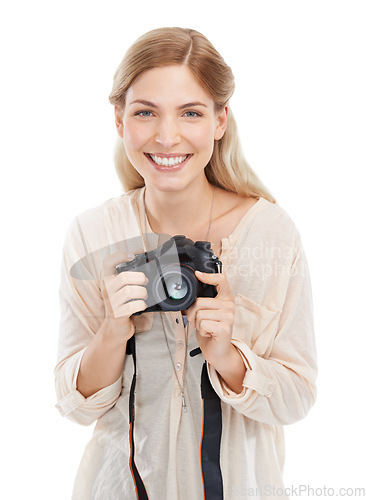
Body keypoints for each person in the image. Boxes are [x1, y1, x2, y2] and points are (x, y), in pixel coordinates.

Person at [55, 27, 317, 500]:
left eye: (191, 112)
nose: (167, 135)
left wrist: (227, 356)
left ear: (220, 121)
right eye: (145, 113)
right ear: (119, 120)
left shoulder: (271, 233)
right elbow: (73, 407)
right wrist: (113, 332)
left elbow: (297, 398)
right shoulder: (94, 234)